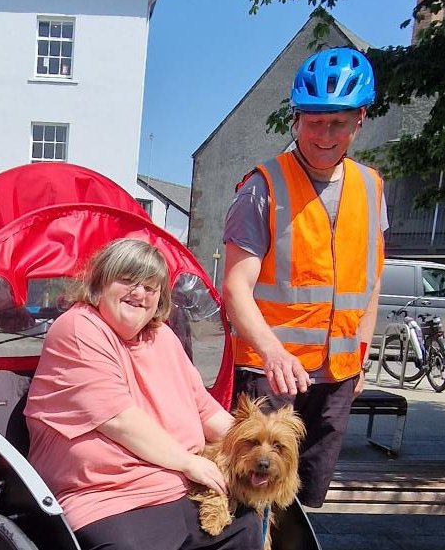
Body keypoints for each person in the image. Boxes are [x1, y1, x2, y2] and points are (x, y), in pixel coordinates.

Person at [222, 47, 386, 512]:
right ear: (295, 119)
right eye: (314, 121)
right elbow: (236, 287)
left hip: (337, 375)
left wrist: (361, 352)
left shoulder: (372, 187)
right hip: (270, 372)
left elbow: (370, 278)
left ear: (360, 120)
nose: (325, 135)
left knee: (303, 496)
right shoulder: (262, 187)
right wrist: (273, 352)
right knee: (251, 494)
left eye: (337, 122)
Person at [25, 238, 261, 550]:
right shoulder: (78, 328)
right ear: (99, 284)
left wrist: (259, 443)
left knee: (247, 524)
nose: (139, 293)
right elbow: (119, 420)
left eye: (151, 287)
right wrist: (188, 461)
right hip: (109, 497)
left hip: (181, 487)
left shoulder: (162, 336)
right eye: (127, 281)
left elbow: (205, 410)